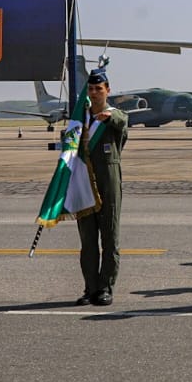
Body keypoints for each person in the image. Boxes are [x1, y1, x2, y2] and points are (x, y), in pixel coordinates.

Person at [75, 68, 129, 306]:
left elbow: (122, 124)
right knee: (87, 242)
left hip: (108, 185)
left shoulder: (114, 117)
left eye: (99, 89)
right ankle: (90, 288)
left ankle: (106, 287)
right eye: (91, 89)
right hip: (84, 185)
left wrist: (108, 118)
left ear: (108, 90)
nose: (95, 93)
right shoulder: (80, 119)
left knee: (109, 239)